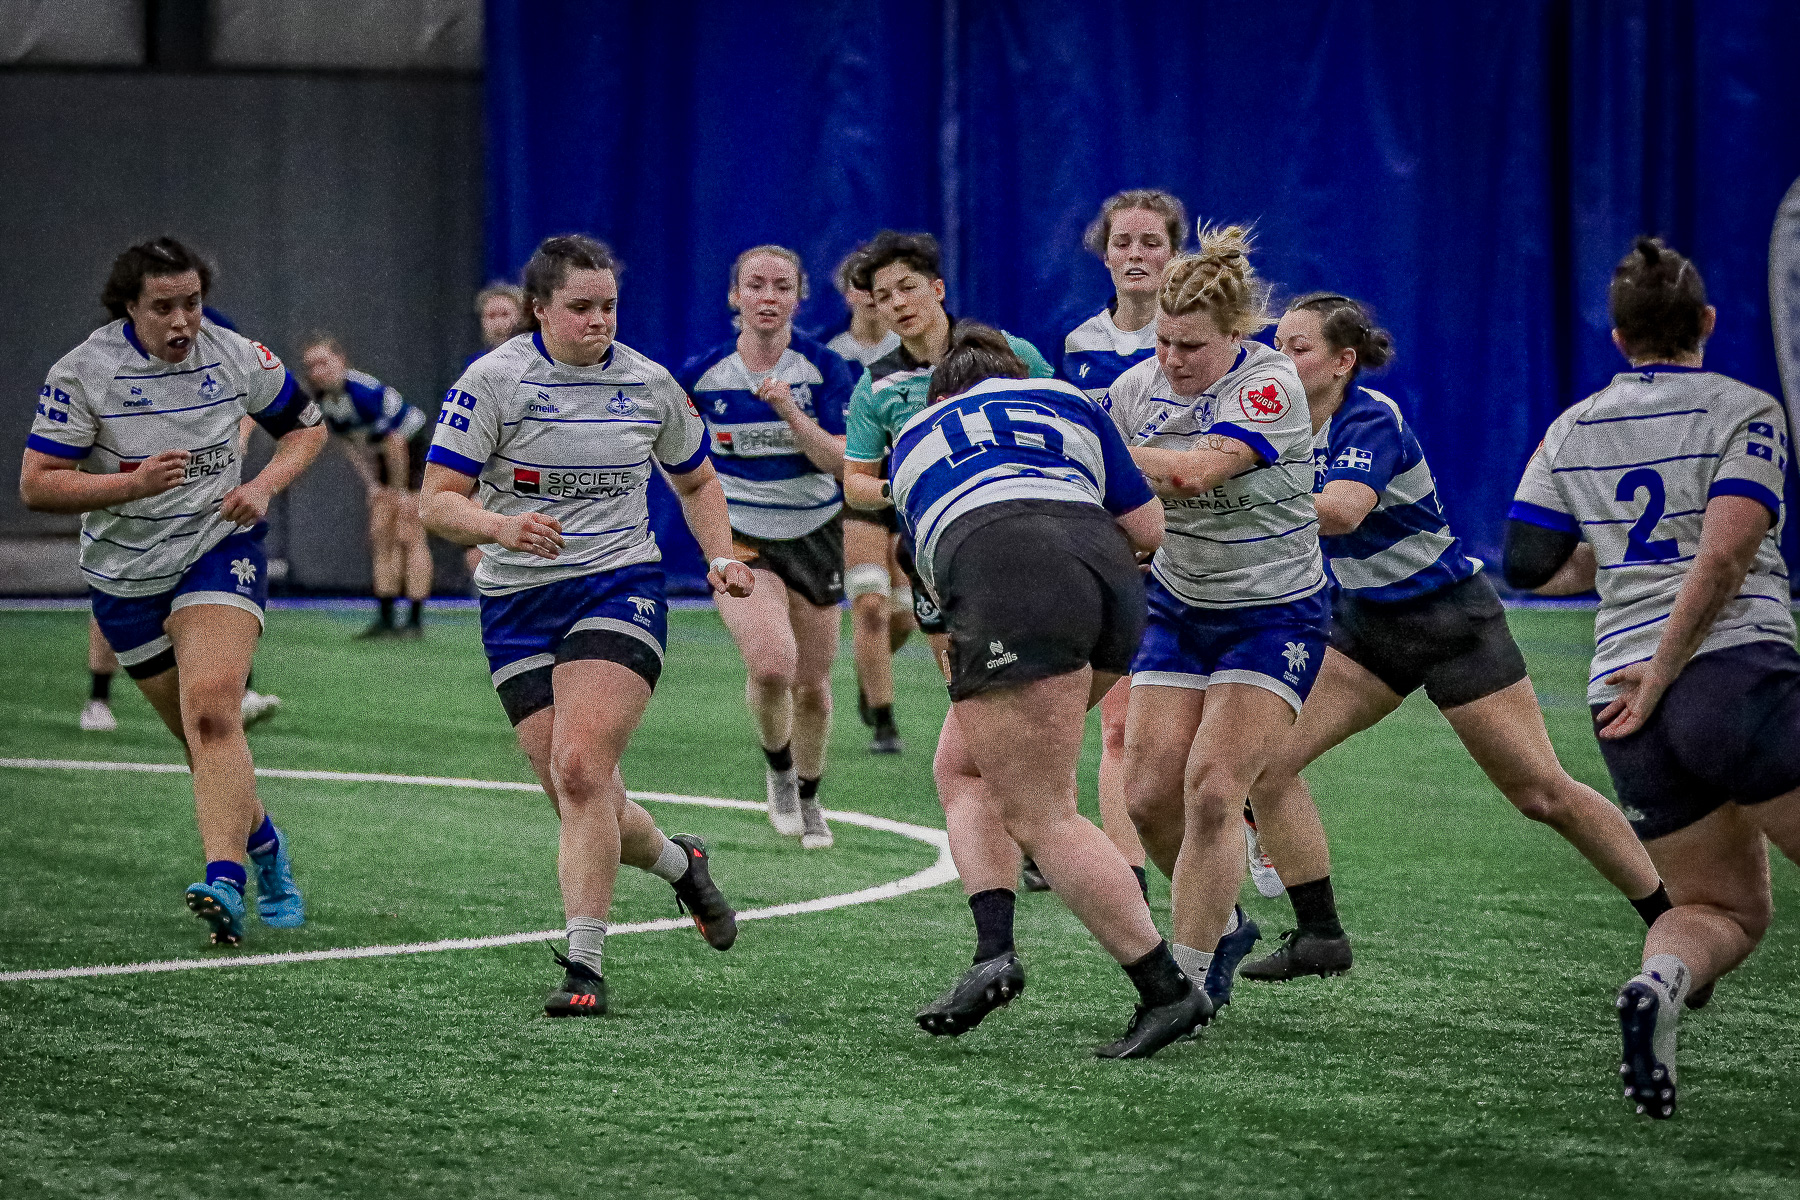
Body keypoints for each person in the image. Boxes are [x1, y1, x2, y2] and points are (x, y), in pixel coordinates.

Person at [1238, 294, 1668, 984]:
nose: (1279, 361)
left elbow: (1343, 513)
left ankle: (1669, 917)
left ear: (1344, 363)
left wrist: (1234, 499)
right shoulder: (1275, 427)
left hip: (1449, 622)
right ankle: (1320, 936)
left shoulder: (1370, 419)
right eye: (1273, 346)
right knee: (1264, 767)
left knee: (1541, 795)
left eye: (1298, 347)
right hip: (1365, 626)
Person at [1505, 237, 1800, 1120]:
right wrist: (1669, 667)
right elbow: (1725, 553)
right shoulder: (1744, 409)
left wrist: (1620, 572)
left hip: (1621, 702)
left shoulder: (1573, 426)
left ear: (1618, 335)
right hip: (1725, 674)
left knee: (1723, 909)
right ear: (1706, 322)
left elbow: (1527, 562)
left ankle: (1659, 986)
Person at [420, 234, 752, 1017]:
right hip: (514, 605)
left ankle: (585, 967)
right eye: (580, 308)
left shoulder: (648, 383)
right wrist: (499, 529)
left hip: (617, 586)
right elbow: (435, 499)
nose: (598, 321)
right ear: (539, 310)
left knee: (579, 770)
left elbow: (697, 478)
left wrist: (719, 556)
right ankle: (681, 865)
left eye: (608, 306)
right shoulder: (493, 382)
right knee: (581, 794)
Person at [880, 322, 1210, 1058]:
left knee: (1043, 812)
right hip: (1110, 578)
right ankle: (991, 952)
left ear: (941, 393)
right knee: (965, 766)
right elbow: (1150, 528)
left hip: (1006, 564)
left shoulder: (914, 432)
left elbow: (933, 580)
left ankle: (1166, 988)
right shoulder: (1064, 396)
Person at [20, 236, 326, 946]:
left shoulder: (237, 355)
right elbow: (37, 485)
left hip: (218, 550)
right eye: (164, 307)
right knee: (202, 743)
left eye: (192, 302)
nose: (182, 320)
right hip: (126, 579)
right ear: (130, 306)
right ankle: (269, 849)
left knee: (215, 711)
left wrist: (260, 486)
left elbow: (305, 430)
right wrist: (130, 483)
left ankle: (225, 880)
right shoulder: (84, 374)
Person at [1112, 226, 1318, 1011]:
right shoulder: (1137, 391)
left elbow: (1195, 475)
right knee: (1145, 799)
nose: (1173, 359)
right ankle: (1225, 924)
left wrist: (1103, 449)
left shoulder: (1269, 387)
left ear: (1238, 335)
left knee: (1211, 789)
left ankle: (1185, 986)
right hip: (1179, 603)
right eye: (1163, 341)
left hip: (1274, 611)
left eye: (1192, 346)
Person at [842, 230, 1055, 971]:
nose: (895, 304)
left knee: (1023, 712)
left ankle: (1043, 836)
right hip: (936, 569)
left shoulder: (1010, 355)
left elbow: (1060, 427)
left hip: (1024, 562)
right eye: (881, 296)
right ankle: (1032, 842)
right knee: (975, 711)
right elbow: (854, 483)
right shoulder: (878, 387)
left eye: (907, 287)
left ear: (936, 287)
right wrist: (918, 479)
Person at [678, 245, 857, 847]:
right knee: (771, 663)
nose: (767, 297)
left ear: (798, 298)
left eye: (781, 286)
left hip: (815, 534)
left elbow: (841, 464)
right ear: (735, 296)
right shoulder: (702, 376)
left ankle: (810, 793)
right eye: (755, 285)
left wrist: (790, 413)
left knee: (812, 683)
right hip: (743, 537)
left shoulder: (825, 370)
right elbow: (677, 460)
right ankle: (779, 771)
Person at [1040, 187, 1187, 899]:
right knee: (1120, 725)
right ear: (1103, 255)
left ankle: (1246, 818)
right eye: (1123, 242)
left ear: (1173, 253)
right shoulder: (1079, 345)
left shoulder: (1200, 339)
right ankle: (1128, 879)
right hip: (1118, 550)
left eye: (1150, 242)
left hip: (1201, 549)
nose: (1136, 254)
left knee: (1202, 731)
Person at [829, 249, 913, 755]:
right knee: (871, 605)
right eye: (864, 289)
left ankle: (869, 678)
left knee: (905, 614)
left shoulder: (911, 351)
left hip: (905, 488)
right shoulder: (833, 357)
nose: (874, 300)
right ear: (851, 295)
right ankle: (884, 722)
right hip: (860, 490)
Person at [299, 333, 434, 639]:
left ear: (341, 361)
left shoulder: (363, 391)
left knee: (409, 531)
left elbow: (397, 443)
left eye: (324, 362)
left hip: (412, 450)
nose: (318, 371)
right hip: (383, 455)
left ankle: (413, 621)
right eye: (311, 366)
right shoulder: (321, 400)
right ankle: (386, 618)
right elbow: (350, 444)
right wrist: (373, 485)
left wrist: (399, 492)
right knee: (380, 531)